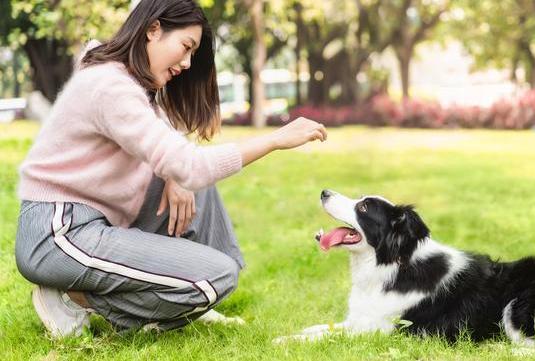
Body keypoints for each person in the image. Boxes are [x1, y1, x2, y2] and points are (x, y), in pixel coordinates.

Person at [14, 0, 327, 337]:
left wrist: (174, 176)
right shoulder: (109, 85)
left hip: (94, 223)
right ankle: (76, 298)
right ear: (153, 29)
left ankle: (190, 297)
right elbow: (189, 164)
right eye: (185, 47)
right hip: (59, 234)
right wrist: (275, 140)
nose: (187, 63)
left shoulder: (129, 80)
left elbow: (171, 148)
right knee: (217, 273)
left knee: (196, 188)